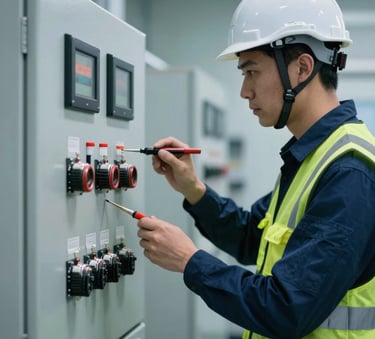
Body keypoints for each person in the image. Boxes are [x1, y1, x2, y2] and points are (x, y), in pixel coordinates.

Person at [137, 0, 375, 338]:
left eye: (252, 71)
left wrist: (191, 261)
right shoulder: (314, 156)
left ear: (302, 69)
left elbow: (287, 309)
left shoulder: (348, 172)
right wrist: (194, 189)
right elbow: (253, 238)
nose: (244, 91)